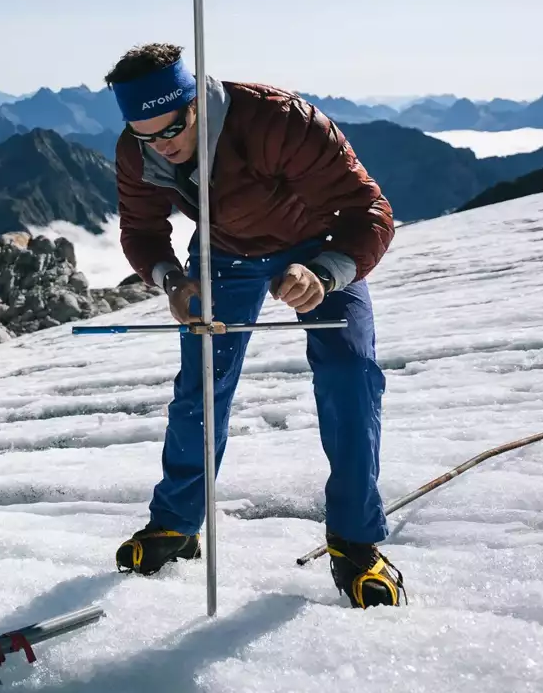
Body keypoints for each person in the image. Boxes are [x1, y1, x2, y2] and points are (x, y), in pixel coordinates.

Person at [105, 42, 407, 607]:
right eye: (144, 135)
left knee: (349, 375)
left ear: (194, 101)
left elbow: (371, 211)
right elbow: (141, 231)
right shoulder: (137, 150)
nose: (160, 146)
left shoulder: (278, 120)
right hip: (223, 253)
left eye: (171, 128)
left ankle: (356, 543)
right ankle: (175, 523)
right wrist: (173, 281)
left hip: (322, 243)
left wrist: (326, 272)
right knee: (202, 386)